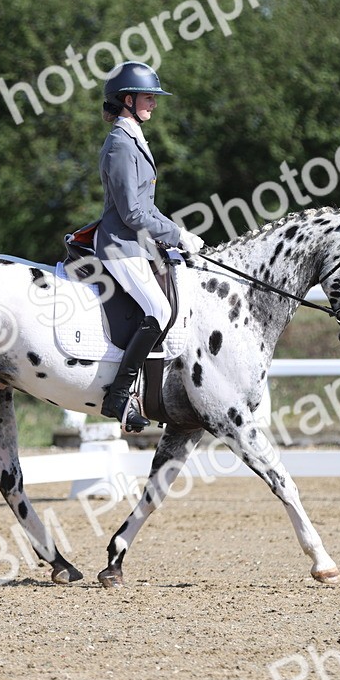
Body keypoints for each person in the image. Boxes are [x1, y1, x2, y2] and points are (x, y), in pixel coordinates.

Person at [94, 61, 205, 431]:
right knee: (157, 308)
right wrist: (177, 235)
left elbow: (148, 208)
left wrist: (174, 234)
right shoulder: (120, 145)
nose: (154, 104)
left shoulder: (133, 139)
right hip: (118, 244)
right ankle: (118, 396)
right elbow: (132, 213)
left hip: (136, 242)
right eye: (148, 97)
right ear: (127, 100)